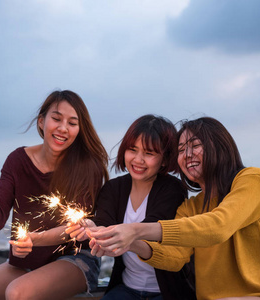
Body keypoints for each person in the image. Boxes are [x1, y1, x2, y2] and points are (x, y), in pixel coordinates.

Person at [88, 117, 260, 300]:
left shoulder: (251, 180)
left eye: (195, 145)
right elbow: (174, 258)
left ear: (220, 146)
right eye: (181, 150)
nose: (187, 154)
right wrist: (129, 243)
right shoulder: (191, 207)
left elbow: (218, 226)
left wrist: (135, 230)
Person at [0, 90, 109, 300]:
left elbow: (76, 227)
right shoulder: (18, 160)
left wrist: (34, 240)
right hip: (28, 259)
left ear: (79, 130)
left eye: (72, 123)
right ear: (41, 122)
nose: (63, 128)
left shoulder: (88, 166)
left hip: (74, 260)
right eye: (56, 119)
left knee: (17, 293)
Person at [67, 115, 196, 300]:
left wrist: (112, 235)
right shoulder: (113, 188)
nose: (138, 159)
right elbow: (103, 223)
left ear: (166, 159)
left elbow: (151, 230)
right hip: (126, 287)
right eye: (132, 149)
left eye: (149, 153)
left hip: (167, 291)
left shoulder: (174, 189)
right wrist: (91, 228)